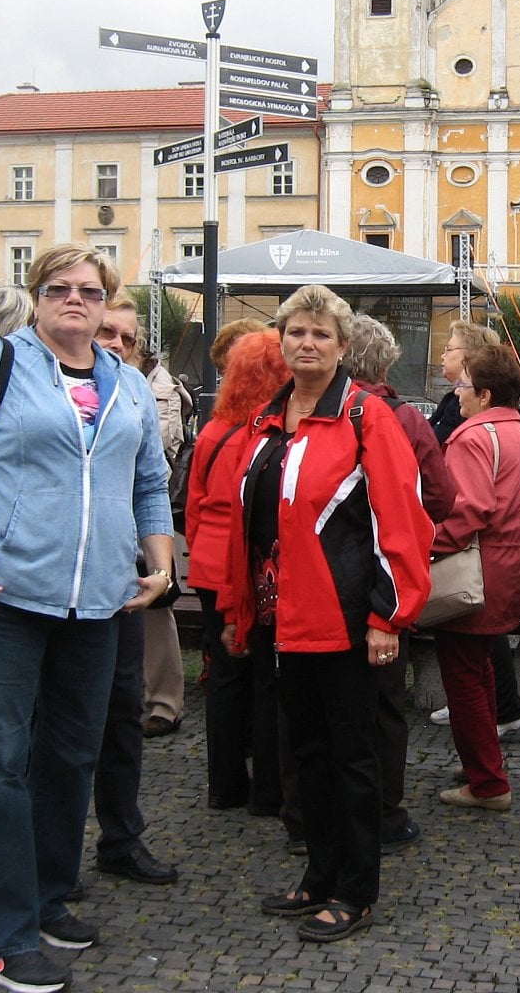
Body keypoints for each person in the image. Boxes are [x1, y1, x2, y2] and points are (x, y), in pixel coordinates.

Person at [0, 244, 173, 993]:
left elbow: (150, 482)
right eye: (59, 288)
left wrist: (159, 566)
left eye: (90, 291)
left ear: (107, 303)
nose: (75, 299)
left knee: (71, 759)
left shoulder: (125, 383)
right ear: (37, 298)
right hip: (2, 596)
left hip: (96, 602)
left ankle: (47, 899)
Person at [223, 285, 432, 943]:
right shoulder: (269, 420)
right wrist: (240, 609)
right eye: (295, 332)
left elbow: (402, 523)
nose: (306, 343)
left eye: (320, 334)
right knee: (305, 753)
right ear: (280, 341)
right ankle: (318, 873)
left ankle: (356, 889)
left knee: (352, 757)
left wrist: (386, 619)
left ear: (344, 347)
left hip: (345, 620)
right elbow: (252, 525)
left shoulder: (367, 417)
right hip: (285, 619)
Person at [329, 311, 457, 850]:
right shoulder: (404, 418)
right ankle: (383, 809)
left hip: (323, 576)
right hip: (387, 576)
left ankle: (311, 808)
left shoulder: (314, 413)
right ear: (385, 362)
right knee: (384, 699)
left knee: (318, 697)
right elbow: (443, 497)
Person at [79, 294, 179, 888]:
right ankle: (53, 857)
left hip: (118, 584)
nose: (116, 343)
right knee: (64, 730)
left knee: (122, 721)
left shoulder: (136, 395)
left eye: (128, 337)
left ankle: (121, 836)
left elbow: (151, 484)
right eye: (107, 331)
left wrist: (161, 569)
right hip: (50, 590)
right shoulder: (46, 389)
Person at [432, 343, 520, 811]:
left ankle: (487, 781)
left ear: (482, 393)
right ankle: (482, 758)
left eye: (461, 385)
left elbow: (468, 512)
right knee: (477, 667)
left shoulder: (472, 438)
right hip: (515, 565)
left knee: (464, 676)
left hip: (477, 569)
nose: (455, 393)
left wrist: (424, 545)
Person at [187, 330, 290, 814]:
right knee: (267, 674)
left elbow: (192, 505)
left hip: (209, 563)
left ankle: (223, 785)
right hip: (253, 563)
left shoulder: (212, 431)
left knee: (223, 673)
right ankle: (267, 786)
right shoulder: (267, 435)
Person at [137, 319, 191, 740]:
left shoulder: (160, 388)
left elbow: (163, 448)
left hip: (146, 510)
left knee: (157, 607)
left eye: (124, 338)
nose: (114, 344)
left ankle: (164, 702)